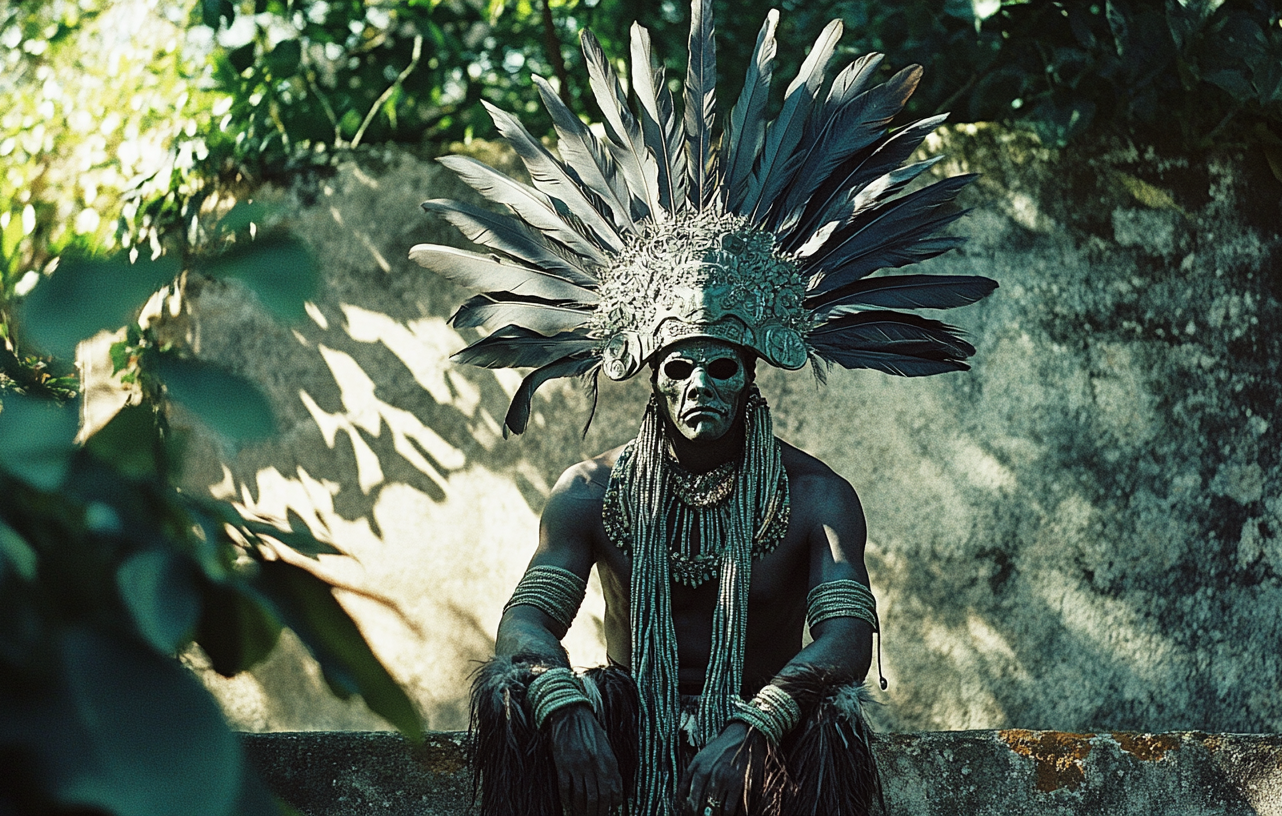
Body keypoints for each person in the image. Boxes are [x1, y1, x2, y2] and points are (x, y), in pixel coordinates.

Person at [409, 1, 997, 813]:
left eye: (721, 370)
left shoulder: (815, 499)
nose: (699, 390)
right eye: (679, 369)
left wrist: (757, 720)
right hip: (623, 733)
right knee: (520, 701)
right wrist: (565, 706)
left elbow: (846, 641)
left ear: (752, 374)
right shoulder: (590, 492)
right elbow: (527, 624)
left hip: (763, 744)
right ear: (651, 375)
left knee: (829, 727)